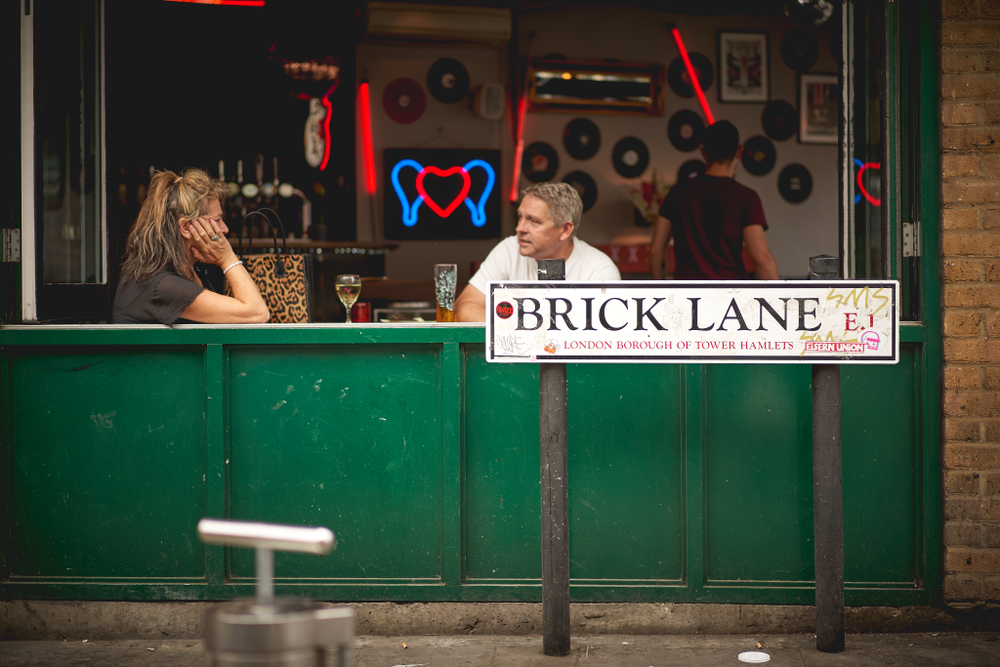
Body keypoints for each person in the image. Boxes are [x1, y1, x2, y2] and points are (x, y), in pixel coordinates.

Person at [112, 168, 270, 324]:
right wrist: (227, 258)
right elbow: (257, 313)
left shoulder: (195, 269)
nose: (225, 229)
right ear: (186, 228)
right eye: (217, 220)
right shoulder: (161, 286)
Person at [455, 182, 621, 322]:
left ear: (565, 230)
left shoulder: (599, 270)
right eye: (520, 217)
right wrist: (519, 329)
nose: (519, 228)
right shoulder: (508, 250)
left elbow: (603, 338)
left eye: (533, 221)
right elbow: (464, 307)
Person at [649, 120, 778, 281]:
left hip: (688, 296)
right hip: (730, 296)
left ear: (703, 153)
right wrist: (780, 302)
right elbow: (762, 259)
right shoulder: (747, 197)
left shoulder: (677, 192)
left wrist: (662, 290)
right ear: (739, 151)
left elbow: (655, 250)